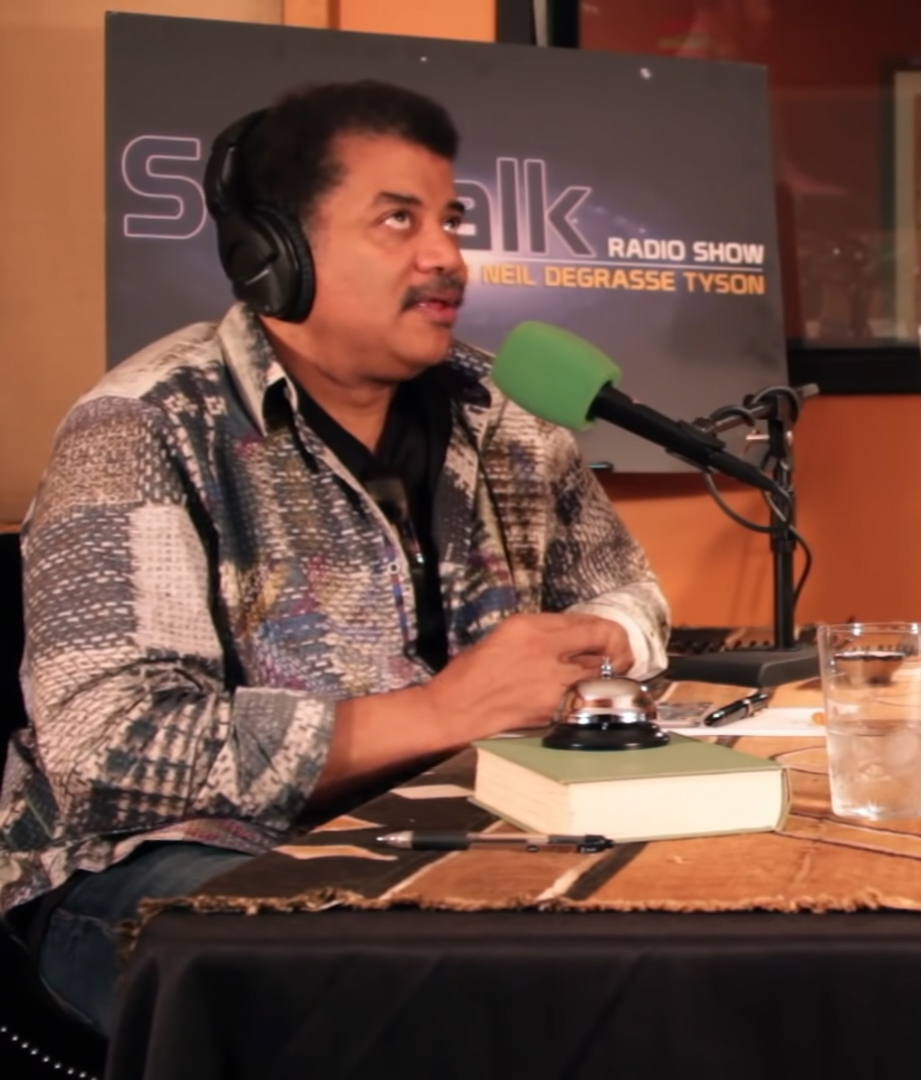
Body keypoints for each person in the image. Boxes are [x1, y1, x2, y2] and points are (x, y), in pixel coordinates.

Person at [0, 80, 671, 1037]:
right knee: (405, 996)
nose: (446, 257)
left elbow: (627, 589)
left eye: (450, 221)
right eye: (398, 220)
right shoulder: (143, 425)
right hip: (165, 862)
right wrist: (438, 713)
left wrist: (602, 640)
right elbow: (106, 750)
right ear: (274, 252)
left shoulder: (508, 418)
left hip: (459, 830)